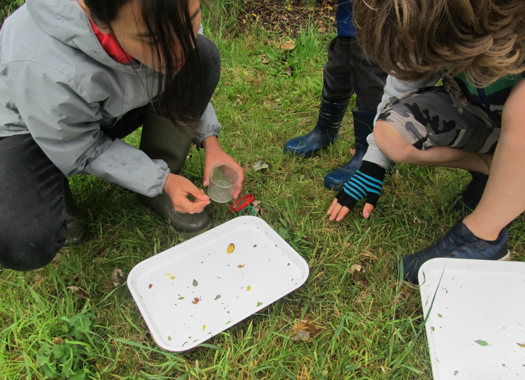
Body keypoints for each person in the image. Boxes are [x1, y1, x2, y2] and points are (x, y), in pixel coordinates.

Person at [0, 0, 244, 271]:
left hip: (104, 109)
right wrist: (159, 179)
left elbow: (181, 71)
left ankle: (158, 185)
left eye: (191, 20)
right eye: (153, 39)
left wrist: (211, 142)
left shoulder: (161, 18)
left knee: (202, 56)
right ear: (97, 17)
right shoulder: (41, 63)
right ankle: (52, 193)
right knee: (24, 241)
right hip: (30, 127)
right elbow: (79, 145)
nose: (180, 48)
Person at [327, 0, 525, 283]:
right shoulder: (420, 23)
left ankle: (485, 237)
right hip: (483, 117)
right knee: (389, 134)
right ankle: (491, 168)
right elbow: (397, 93)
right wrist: (373, 164)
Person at [283, 0, 386, 190]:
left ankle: (370, 153)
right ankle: (325, 130)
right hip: (351, 15)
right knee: (339, 61)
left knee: (368, 71)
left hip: (377, 17)